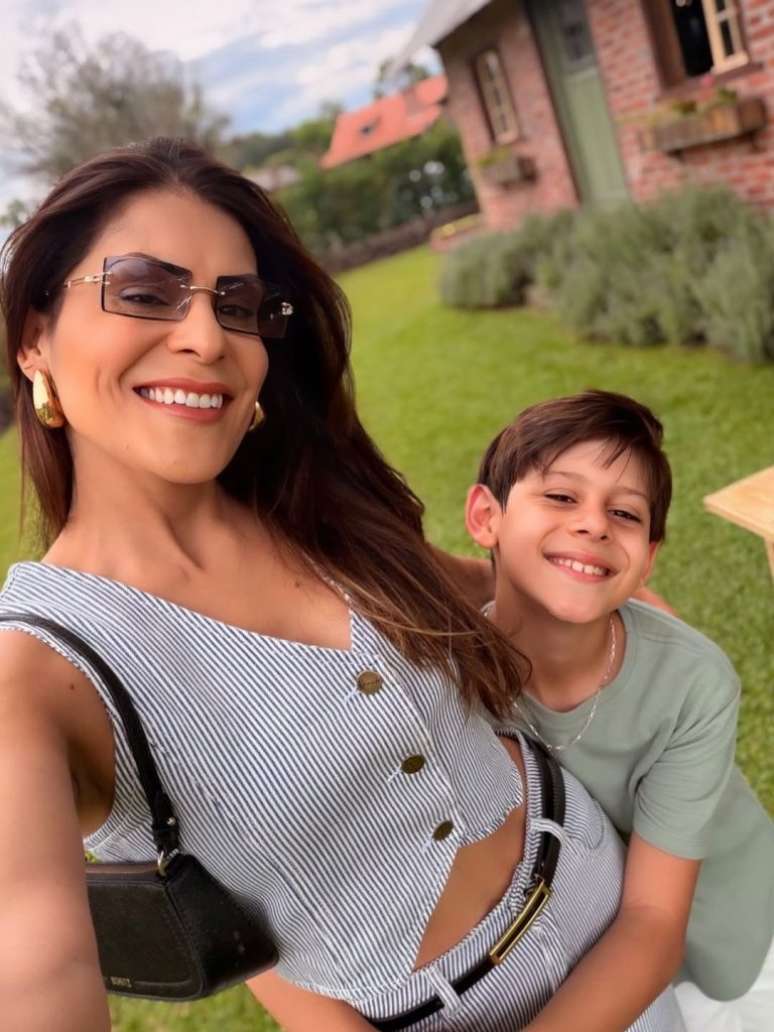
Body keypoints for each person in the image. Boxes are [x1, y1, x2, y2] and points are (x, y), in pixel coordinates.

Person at [0, 138, 683, 1032]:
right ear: (34, 339)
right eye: (142, 291)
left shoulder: (313, 509)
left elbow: (500, 596)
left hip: (612, 883)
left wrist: (630, 625)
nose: (207, 337)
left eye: (238, 306)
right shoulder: (37, 678)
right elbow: (34, 968)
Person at [465, 389, 774, 1032]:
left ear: (648, 559)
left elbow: (653, 922)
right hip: (578, 952)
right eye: (561, 496)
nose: (594, 524)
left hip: (730, 921)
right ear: (485, 516)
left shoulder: (692, 682)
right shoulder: (449, 680)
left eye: (625, 513)